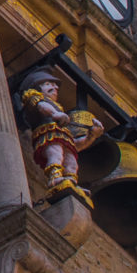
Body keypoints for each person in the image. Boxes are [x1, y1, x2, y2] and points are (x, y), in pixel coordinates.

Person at [16, 68, 99, 205]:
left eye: (55, 86)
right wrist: (55, 114)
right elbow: (41, 106)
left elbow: (75, 145)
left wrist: (91, 136)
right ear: (37, 86)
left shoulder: (58, 109)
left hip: (61, 135)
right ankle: (55, 177)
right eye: (49, 83)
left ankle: (71, 181)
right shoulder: (36, 97)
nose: (55, 87)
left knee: (71, 163)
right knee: (56, 154)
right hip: (48, 133)